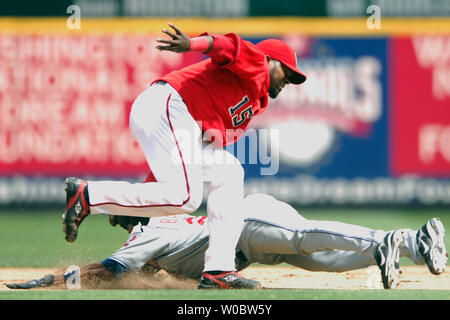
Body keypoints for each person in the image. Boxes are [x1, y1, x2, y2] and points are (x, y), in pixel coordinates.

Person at [61, 23, 307, 289]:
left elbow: (183, 155)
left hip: (175, 116)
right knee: (187, 197)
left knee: (228, 171)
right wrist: (192, 44)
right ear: (269, 60)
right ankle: (90, 195)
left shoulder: (253, 102)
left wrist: (141, 199)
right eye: (287, 72)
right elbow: (224, 45)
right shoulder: (256, 63)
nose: (288, 81)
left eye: (293, 79)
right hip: (171, 103)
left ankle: (218, 270)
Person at [12, 194, 447, 290]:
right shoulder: (159, 227)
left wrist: (57, 279)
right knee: (324, 259)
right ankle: (418, 244)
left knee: (302, 238)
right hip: (245, 242)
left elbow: (109, 270)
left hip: (243, 224)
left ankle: (393, 238)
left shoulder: (148, 231)